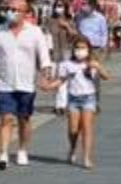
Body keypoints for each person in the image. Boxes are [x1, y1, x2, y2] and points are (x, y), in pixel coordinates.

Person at [0, 0, 53, 169]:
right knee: (6, 118)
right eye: (9, 9)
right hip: (5, 82)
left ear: (25, 13)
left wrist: (45, 74)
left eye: (15, 10)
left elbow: (44, 56)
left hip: (27, 82)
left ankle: (22, 149)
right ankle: (3, 153)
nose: (10, 12)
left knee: (24, 119)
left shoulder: (35, 32)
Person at [46, 38, 108, 169]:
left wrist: (98, 67)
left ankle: (86, 157)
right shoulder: (67, 64)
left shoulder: (92, 63)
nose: (80, 50)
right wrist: (49, 86)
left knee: (87, 128)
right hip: (73, 99)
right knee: (73, 129)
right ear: (73, 50)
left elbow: (106, 76)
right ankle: (73, 148)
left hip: (88, 98)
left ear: (88, 49)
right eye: (78, 48)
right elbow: (61, 80)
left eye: (83, 48)